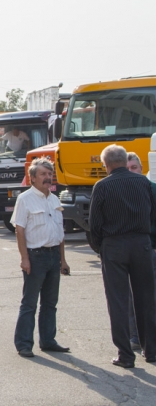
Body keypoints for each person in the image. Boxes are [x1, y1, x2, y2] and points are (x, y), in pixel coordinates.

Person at [90, 144, 156, 368]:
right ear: (124, 160)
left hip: (114, 246)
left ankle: (126, 355)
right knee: (146, 299)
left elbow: (94, 224)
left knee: (118, 301)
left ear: (106, 164)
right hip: (141, 243)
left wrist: (101, 248)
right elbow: (153, 213)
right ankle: (152, 350)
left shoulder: (102, 186)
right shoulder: (143, 182)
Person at [10, 158, 70, 358]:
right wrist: (24, 258)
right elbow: (20, 230)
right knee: (29, 303)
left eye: (49, 174)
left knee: (50, 302)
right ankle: (24, 344)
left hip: (54, 256)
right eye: (43, 174)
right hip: (36, 257)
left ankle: (48, 340)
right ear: (32, 178)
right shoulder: (25, 199)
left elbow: (59, 231)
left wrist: (63, 260)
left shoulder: (54, 199)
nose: (47, 177)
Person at [125, 152, 156, 350]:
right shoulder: (117, 190)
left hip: (150, 249)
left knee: (149, 296)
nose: (131, 172)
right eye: (127, 169)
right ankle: (135, 337)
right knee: (130, 296)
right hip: (127, 251)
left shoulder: (152, 189)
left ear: (142, 168)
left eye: (134, 168)